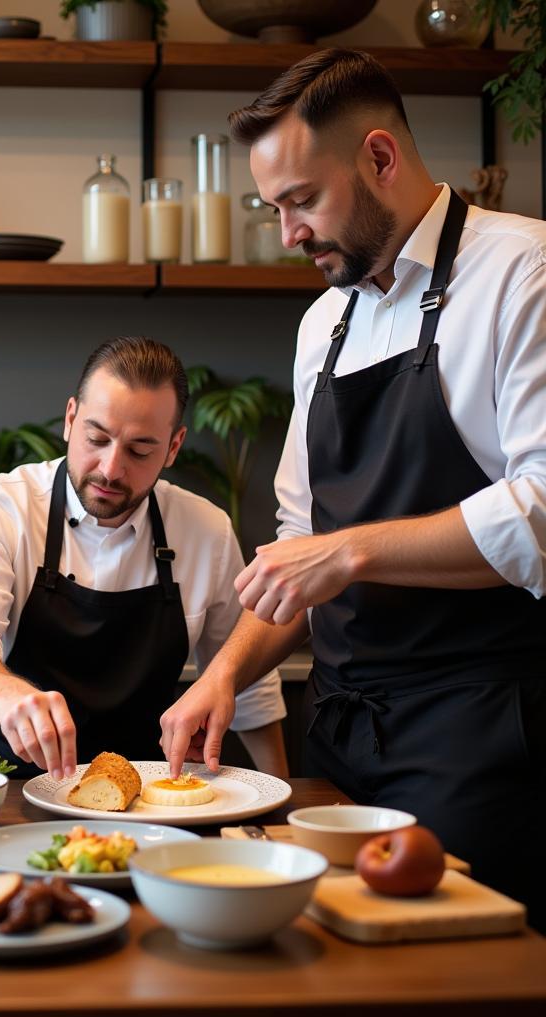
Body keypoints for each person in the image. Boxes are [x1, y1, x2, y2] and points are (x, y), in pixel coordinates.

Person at [160, 49, 546, 925]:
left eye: (302, 200)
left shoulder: (522, 273)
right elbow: (300, 541)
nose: (289, 232)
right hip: (341, 739)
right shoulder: (323, 323)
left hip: (478, 743)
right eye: (274, 209)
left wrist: (351, 551)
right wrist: (222, 675)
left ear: (380, 157)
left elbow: (542, 509)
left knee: (456, 981)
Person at [0, 336, 288, 780]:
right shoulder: (4, 507)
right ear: (71, 418)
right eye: (97, 438)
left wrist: (281, 796)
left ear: (174, 447)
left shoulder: (205, 530)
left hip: (142, 791)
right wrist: (7, 697)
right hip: (0, 782)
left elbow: (242, 679)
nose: (111, 469)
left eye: (139, 450)